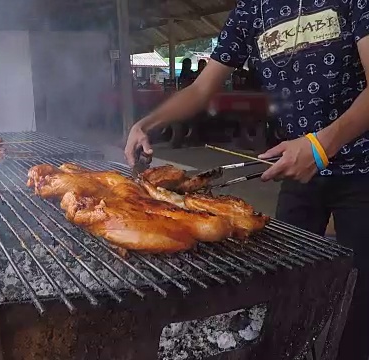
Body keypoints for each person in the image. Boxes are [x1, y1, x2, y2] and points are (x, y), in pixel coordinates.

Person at [124, 2, 369, 359]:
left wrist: (321, 145)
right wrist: (147, 123)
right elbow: (201, 89)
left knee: (358, 295)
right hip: (297, 169)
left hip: (362, 170)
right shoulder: (254, 9)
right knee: (286, 281)